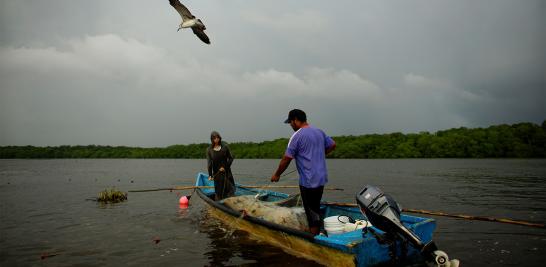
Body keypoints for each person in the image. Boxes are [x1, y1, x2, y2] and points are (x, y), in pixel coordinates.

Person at [270, 109, 336, 235]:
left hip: (308, 181)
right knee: (315, 207)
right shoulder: (319, 131)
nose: (290, 125)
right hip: (321, 179)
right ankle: (316, 230)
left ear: (295, 120)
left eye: (290, 122)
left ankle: (314, 238)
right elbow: (333, 145)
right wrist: (320, 155)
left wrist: (277, 174)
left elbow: (286, 159)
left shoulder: (297, 136)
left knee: (311, 212)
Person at [207, 131, 235, 200]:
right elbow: (209, 163)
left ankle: (231, 203)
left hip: (226, 172)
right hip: (217, 173)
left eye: (217, 138)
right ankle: (219, 203)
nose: (216, 139)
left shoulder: (225, 147)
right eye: (214, 138)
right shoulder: (209, 150)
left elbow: (231, 158)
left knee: (230, 189)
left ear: (219, 138)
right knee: (219, 191)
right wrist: (210, 175)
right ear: (212, 139)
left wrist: (225, 167)